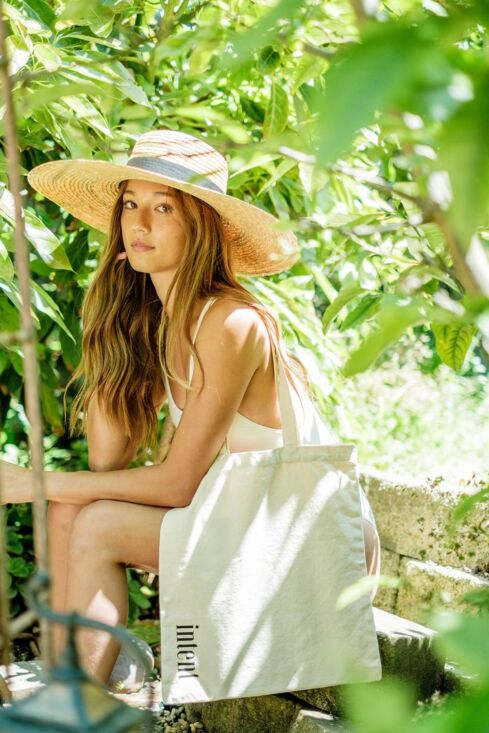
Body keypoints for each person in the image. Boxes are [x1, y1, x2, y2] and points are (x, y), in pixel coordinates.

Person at [0, 129, 380, 688]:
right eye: (129, 205)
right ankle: (68, 680)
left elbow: (178, 485)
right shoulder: (162, 323)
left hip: (308, 544)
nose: (139, 224)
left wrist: (32, 482)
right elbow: (108, 461)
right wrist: (111, 324)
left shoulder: (231, 322)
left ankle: (75, 700)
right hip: (238, 524)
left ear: (200, 226)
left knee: (95, 521)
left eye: (163, 208)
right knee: (68, 511)